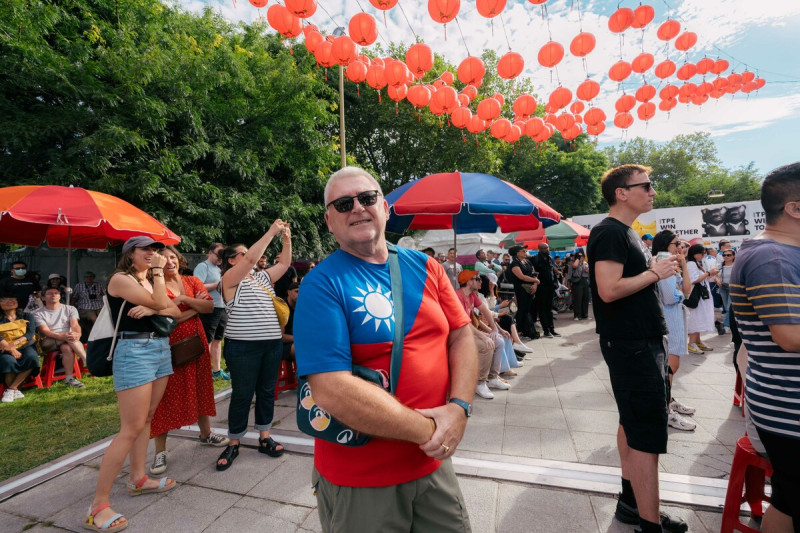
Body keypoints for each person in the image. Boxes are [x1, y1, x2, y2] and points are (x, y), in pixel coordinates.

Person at [294, 166, 476, 532]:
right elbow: (330, 388)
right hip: (362, 478)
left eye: (367, 198)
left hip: (433, 466)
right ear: (330, 221)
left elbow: (461, 335)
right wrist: (431, 432)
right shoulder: (321, 283)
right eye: (343, 204)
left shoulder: (427, 266)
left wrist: (459, 408)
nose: (357, 208)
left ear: (385, 206)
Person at [587, 164, 687, 533]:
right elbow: (608, 290)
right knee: (646, 434)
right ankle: (649, 524)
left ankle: (632, 504)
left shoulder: (623, 232)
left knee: (632, 423)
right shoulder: (610, 232)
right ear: (621, 193)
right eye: (645, 186)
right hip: (632, 345)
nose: (653, 191)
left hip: (637, 342)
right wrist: (654, 273)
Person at [85, 236, 182, 532]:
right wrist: (157, 288)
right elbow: (162, 300)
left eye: (156, 250)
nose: (154, 254)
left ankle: (138, 478)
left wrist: (155, 309)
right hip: (134, 351)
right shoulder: (120, 279)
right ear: (130, 254)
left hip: (159, 349)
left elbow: (174, 311)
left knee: (148, 419)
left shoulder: (146, 280)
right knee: (130, 428)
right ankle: (97, 507)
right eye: (146, 251)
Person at [729, 162, 800, 533]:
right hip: (788, 407)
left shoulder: (774, 251)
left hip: (782, 401)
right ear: (794, 208)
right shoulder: (772, 257)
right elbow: (788, 336)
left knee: (790, 498)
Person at [215, 220, 292, 471]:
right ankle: (234, 441)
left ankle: (265, 436)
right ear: (232, 260)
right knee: (242, 394)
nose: (250, 256)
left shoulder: (262, 278)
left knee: (267, 391)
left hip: (270, 345)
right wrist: (271, 231)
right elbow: (250, 261)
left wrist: (286, 239)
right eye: (243, 253)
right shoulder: (229, 280)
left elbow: (284, 264)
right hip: (243, 348)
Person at [148, 246, 228, 476]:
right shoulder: (156, 286)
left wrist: (183, 299)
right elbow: (168, 316)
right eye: (163, 259)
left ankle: (206, 434)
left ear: (179, 259)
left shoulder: (192, 280)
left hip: (196, 342)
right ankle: (160, 451)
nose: (169, 261)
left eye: (172, 257)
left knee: (202, 386)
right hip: (169, 347)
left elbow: (210, 306)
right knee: (164, 396)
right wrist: (194, 306)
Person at [651, 231, 696, 431]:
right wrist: (680, 293)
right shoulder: (664, 262)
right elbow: (672, 296)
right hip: (669, 318)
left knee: (671, 366)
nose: (680, 246)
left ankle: (668, 400)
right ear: (665, 244)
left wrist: (684, 265)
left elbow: (686, 290)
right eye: (676, 242)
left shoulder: (670, 262)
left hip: (675, 317)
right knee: (671, 366)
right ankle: (665, 409)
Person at [456, 270, 509, 398]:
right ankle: (479, 383)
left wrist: (494, 330)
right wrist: (483, 336)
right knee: (487, 345)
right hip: (458, 335)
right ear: (469, 282)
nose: (481, 281)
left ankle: (492, 378)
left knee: (499, 341)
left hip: (468, 332)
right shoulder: (457, 296)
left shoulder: (471, 295)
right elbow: (464, 323)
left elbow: (485, 310)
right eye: (478, 279)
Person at [34, 287, 86, 387]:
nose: (53, 295)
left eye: (56, 293)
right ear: (43, 298)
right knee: (69, 340)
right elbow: (45, 331)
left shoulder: (70, 308)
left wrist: (77, 334)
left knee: (66, 348)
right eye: (50, 293)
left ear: (60, 296)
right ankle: (87, 360)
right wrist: (62, 336)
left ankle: (69, 379)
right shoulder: (38, 312)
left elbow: (75, 324)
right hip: (48, 340)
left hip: (68, 338)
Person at [194, 243, 229, 381]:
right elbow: (198, 287)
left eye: (223, 255)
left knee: (218, 340)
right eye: (219, 254)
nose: (221, 258)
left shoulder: (219, 269)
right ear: (210, 253)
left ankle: (217, 370)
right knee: (207, 340)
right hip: (209, 308)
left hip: (221, 308)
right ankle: (204, 371)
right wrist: (217, 284)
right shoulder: (203, 266)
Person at [0, 292, 41, 403]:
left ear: (17, 303)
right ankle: (14, 389)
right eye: (5, 299)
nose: (9, 301)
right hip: (3, 349)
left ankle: (11, 389)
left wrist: (14, 344)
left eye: (12, 299)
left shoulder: (27, 316)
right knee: (8, 362)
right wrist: (11, 349)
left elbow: (30, 333)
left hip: (25, 346)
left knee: (32, 358)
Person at [685, 244, 718, 355]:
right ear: (695, 253)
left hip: (701, 296)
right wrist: (709, 273)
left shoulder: (696, 263)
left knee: (700, 317)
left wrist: (709, 274)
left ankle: (697, 341)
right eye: (702, 253)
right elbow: (694, 280)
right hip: (696, 296)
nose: (703, 255)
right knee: (696, 318)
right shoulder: (691, 264)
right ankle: (691, 343)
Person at [508, 245, 540, 339]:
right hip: (521, 289)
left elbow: (534, 274)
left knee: (529, 309)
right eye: (523, 251)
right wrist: (536, 281)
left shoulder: (527, 261)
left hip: (531, 288)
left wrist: (535, 284)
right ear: (517, 253)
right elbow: (521, 276)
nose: (525, 252)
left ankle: (529, 330)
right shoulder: (514, 264)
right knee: (523, 310)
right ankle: (522, 331)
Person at [530, 242, 560, 338]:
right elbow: (533, 273)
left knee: (549, 309)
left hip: (550, 287)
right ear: (540, 249)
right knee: (542, 310)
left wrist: (555, 283)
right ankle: (546, 330)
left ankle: (552, 329)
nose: (547, 250)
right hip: (540, 288)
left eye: (547, 248)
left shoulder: (550, 259)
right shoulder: (535, 259)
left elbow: (553, 272)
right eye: (545, 248)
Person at [714, 249, 735, 332]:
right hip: (723, 287)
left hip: (733, 287)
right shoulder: (720, 265)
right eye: (724, 255)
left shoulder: (736, 265)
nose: (726, 257)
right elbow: (715, 275)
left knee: (729, 307)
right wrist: (717, 279)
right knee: (726, 307)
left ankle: (726, 326)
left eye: (728, 255)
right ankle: (731, 324)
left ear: (733, 256)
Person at [568, 252, 590, 320]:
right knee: (578, 299)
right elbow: (574, 266)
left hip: (585, 281)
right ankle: (577, 315)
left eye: (582, 256)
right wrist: (577, 260)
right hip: (577, 282)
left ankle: (585, 315)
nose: (581, 258)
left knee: (585, 298)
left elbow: (588, 271)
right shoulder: (573, 264)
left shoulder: (585, 263)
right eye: (579, 256)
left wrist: (587, 270)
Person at [281, 281, 299, 361]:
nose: (300, 294)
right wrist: (300, 338)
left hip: (296, 342)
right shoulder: (282, 308)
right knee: (302, 349)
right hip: (280, 346)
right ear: (289, 292)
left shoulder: (303, 308)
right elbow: (281, 337)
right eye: (297, 291)